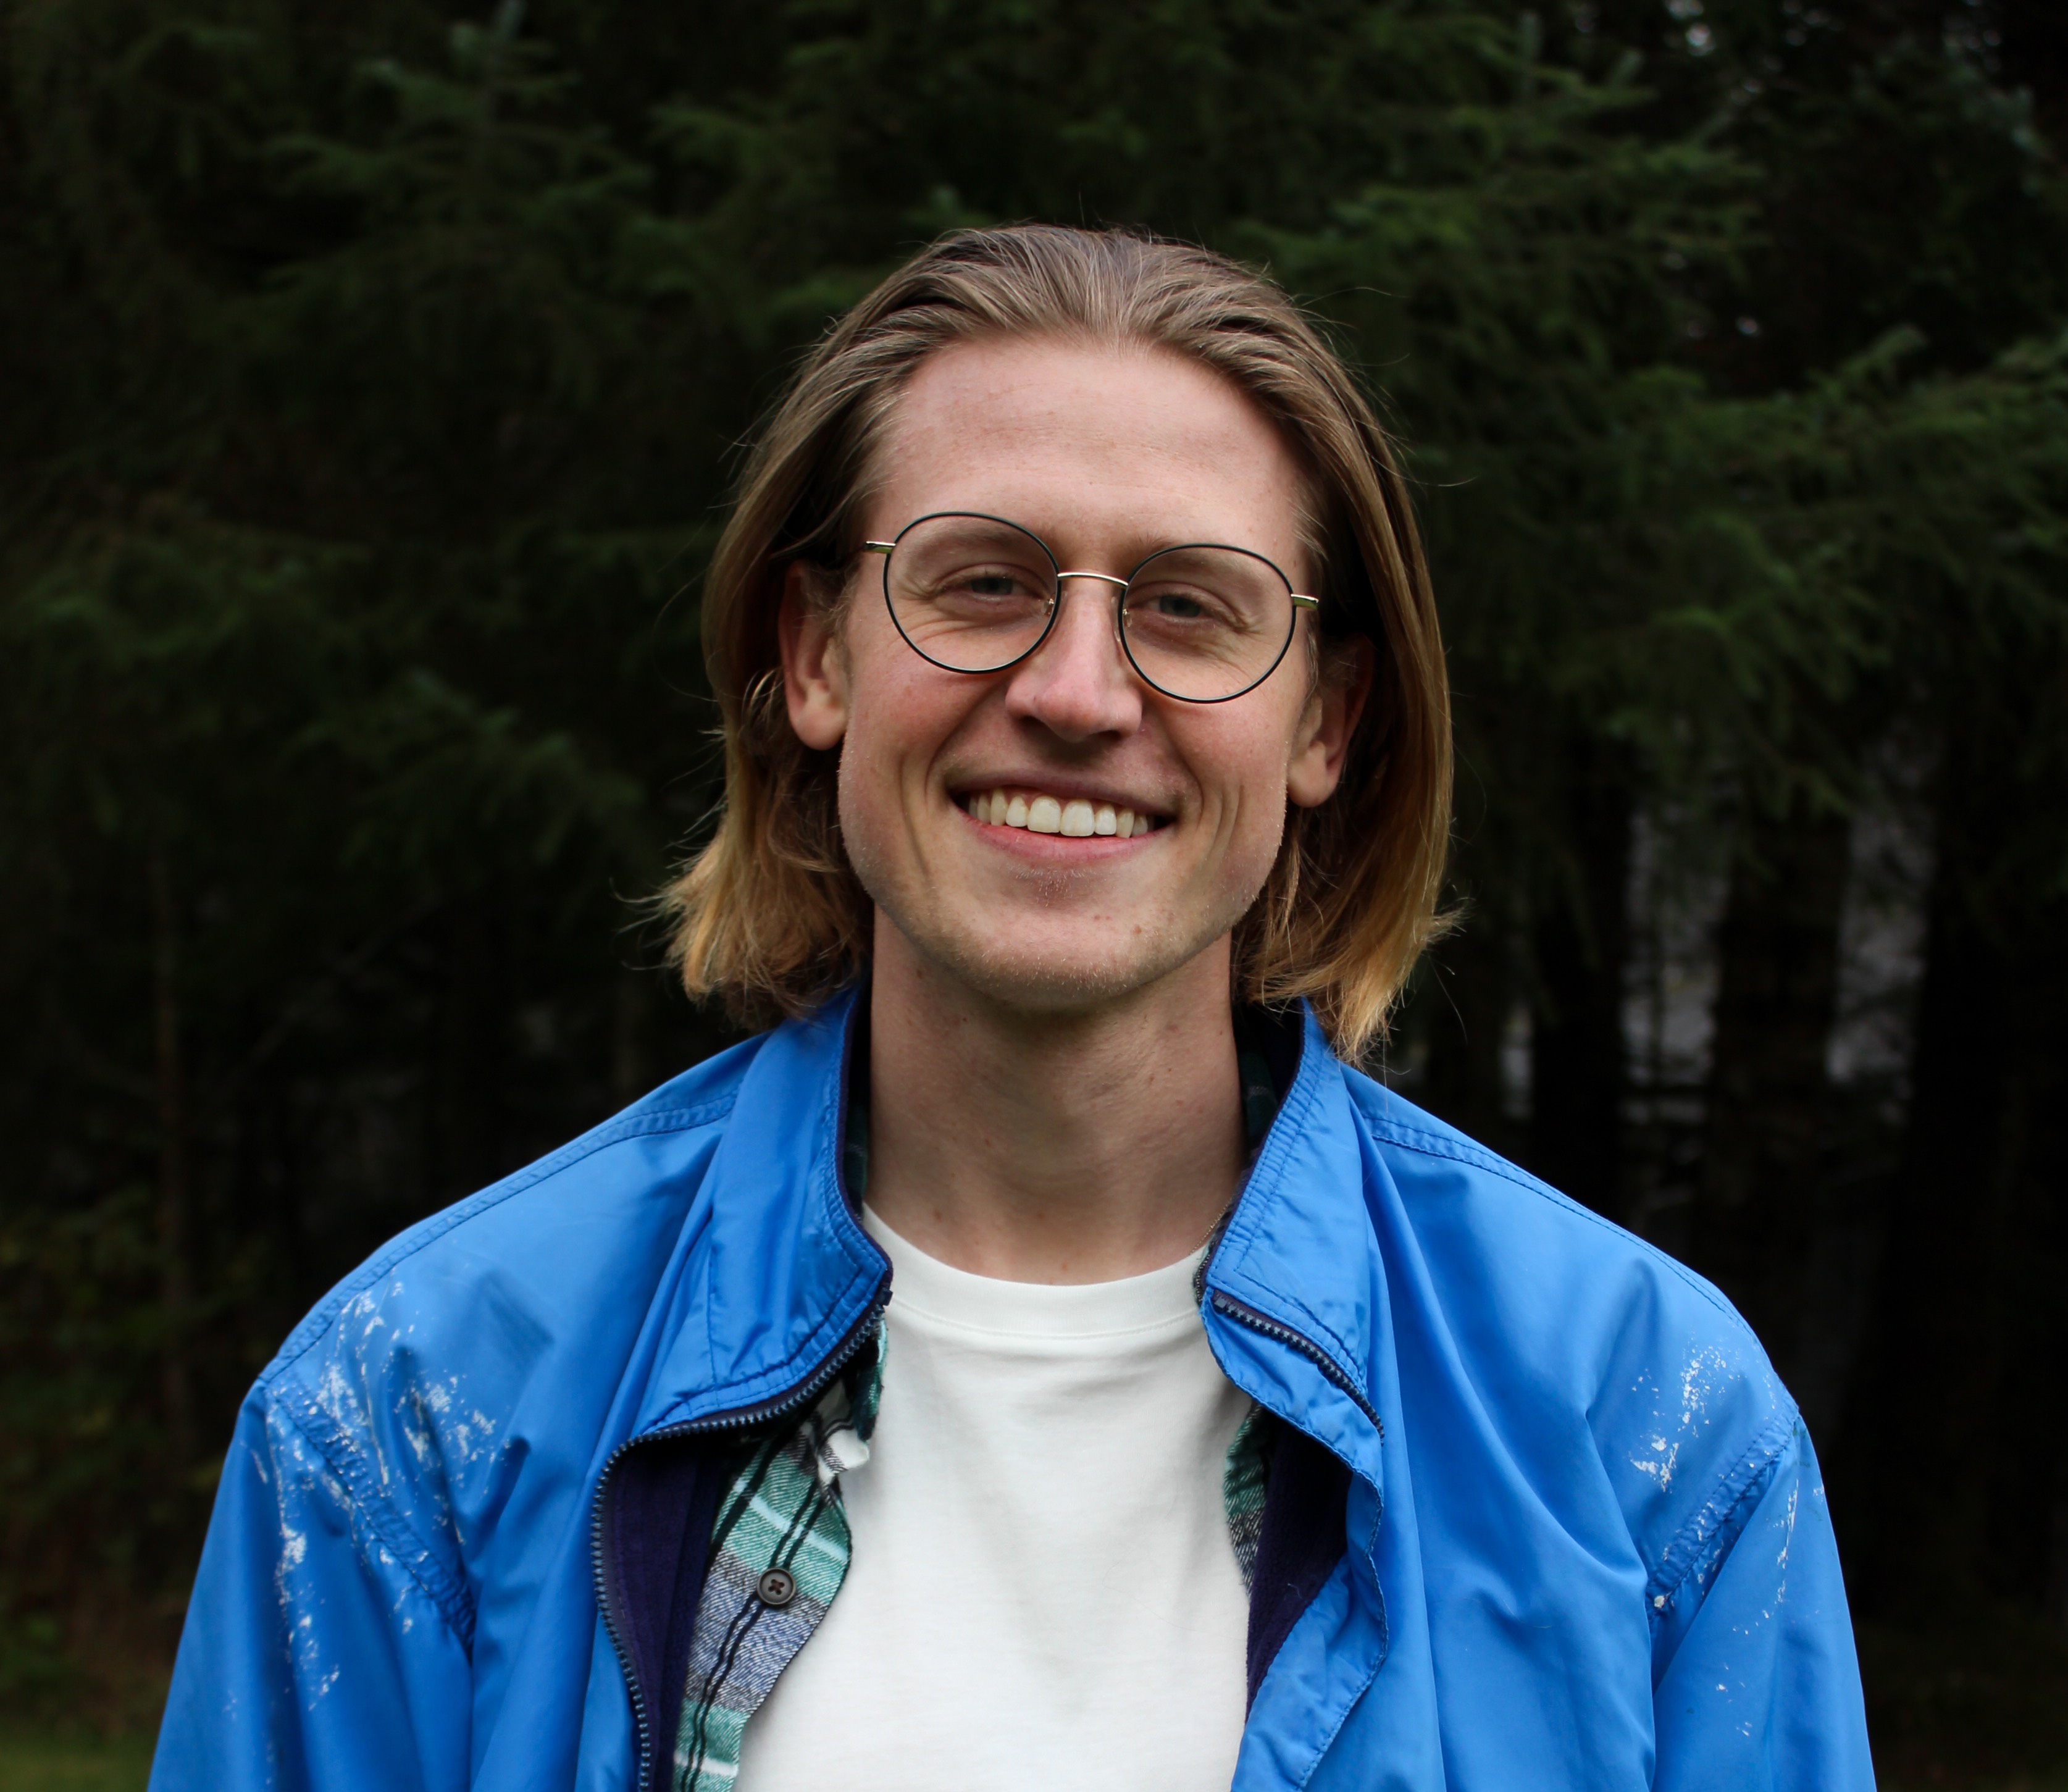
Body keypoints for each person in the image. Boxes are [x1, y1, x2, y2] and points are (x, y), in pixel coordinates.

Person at [151, 226, 1875, 1792]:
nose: (1075, 691)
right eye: (981, 580)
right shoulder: (417, 1409)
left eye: (1191, 608)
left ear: (1327, 722)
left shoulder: (1638, 1431)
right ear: (816, 654)